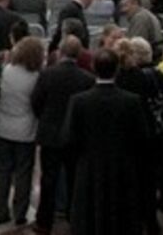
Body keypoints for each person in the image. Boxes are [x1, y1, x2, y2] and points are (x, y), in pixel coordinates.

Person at [64, 47, 146, 235]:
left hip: (89, 167)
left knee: (89, 218)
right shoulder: (131, 101)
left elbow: (69, 137)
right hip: (123, 167)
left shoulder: (79, 101)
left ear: (93, 68)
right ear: (117, 69)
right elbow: (141, 136)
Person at [31, 36, 95, 234]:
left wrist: (44, 119)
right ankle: (75, 219)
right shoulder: (87, 78)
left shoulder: (47, 74)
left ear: (60, 52)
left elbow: (36, 101)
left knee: (48, 179)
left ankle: (43, 222)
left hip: (50, 133)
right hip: (75, 136)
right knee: (75, 179)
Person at [0, 36, 42, 227]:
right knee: (23, 172)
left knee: (3, 171)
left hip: (2, 126)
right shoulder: (37, 77)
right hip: (26, 129)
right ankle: (20, 212)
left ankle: (1, 211)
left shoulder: (7, 70)